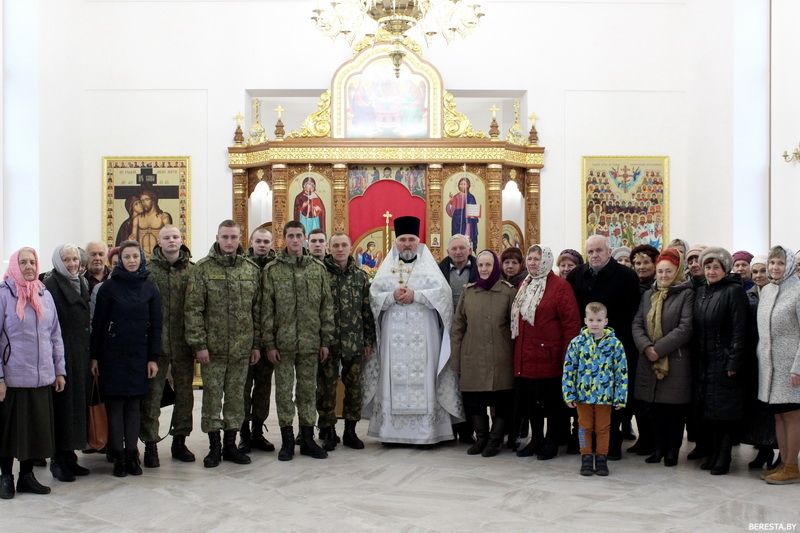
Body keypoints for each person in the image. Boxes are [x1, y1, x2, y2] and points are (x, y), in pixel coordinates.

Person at [363, 216, 464, 444]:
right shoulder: (387, 267)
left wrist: (416, 295)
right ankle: (391, 433)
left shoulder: (429, 266)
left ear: (418, 241)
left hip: (424, 334)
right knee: (392, 375)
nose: (407, 244)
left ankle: (427, 433)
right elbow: (374, 296)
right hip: (393, 334)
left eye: (411, 240)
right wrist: (391, 296)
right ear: (396, 242)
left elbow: (444, 295)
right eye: (403, 240)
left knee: (425, 374)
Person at [184, 220, 261, 468]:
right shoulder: (202, 269)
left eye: (233, 237)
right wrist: (199, 344)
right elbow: (193, 309)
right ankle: (214, 447)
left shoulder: (250, 269)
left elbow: (257, 311)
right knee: (212, 398)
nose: (229, 241)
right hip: (212, 350)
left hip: (241, 348)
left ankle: (230, 445)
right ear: (217, 237)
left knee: (236, 398)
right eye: (225, 237)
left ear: (240, 238)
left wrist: (256, 344)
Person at [262, 221, 333, 461]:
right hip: (283, 344)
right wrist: (269, 343)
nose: (294, 240)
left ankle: (308, 439)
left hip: (311, 342)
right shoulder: (272, 270)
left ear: (304, 238)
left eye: (298, 235)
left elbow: (326, 307)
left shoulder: (317, 269)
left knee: (307, 392)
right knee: (283, 393)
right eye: (290, 236)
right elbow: (267, 310)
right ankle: (287, 441)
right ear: (284, 238)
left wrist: (325, 340)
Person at [90, 241, 161, 477]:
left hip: (139, 355)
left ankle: (132, 455)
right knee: (115, 405)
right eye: (127, 257)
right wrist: (94, 357)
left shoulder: (150, 288)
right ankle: (118, 457)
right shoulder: (109, 288)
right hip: (112, 356)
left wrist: (153, 358)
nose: (131, 261)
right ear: (120, 260)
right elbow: (99, 325)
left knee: (133, 406)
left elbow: (156, 326)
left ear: (141, 258)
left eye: (135, 256)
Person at [566, 235, 640, 460]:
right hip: (585, 350)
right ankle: (584, 448)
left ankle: (609, 445)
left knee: (609, 410)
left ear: (609, 251)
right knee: (583, 414)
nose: (595, 255)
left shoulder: (627, 276)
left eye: (599, 250)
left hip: (614, 347)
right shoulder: (576, 276)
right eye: (590, 251)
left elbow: (632, 313)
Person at [0, 248, 65, 499]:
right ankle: (6, 476)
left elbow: (55, 335)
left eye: (32, 262)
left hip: (41, 376)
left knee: (34, 431)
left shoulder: (44, 294)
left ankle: (26, 477)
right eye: (23, 262)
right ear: (14, 266)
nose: (29, 266)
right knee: (9, 432)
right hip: (13, 377)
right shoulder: (4, 294)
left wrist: (59, 370)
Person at [511, 245, 581, 460]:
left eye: (537, 259)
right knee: (532, 403)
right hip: (526, 354)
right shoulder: (525, 284)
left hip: (550, 356)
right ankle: (536, 439)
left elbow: (571, 324)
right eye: (530, 258)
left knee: (551, 403)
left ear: (547, 261)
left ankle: (551, 440)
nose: (533, 262)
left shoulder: (560, 287)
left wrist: (568, 356)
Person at [140, 226, 197, 467]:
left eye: (175, 237)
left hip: (184, 342)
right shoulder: (148, 271)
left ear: (181, 240)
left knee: (185, 394)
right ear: (159, 242)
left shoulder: (193, 271)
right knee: (152, 395)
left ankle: (179, 441)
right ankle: (150, 444)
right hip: (157, 344)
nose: (171, 241)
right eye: (167, 237)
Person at [632, 248, 694, 467]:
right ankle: (657, 449)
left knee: (673, 411)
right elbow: (637, 323)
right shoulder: (649, 294)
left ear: (677, 271)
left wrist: (658, 349)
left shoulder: (686, 294)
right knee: (654, 408)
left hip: (675, 361)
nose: (664, 275)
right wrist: (646, 347)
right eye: (660, 271)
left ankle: (671, 451)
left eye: (668, 271)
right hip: (649, 359)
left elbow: (685, 328)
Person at [451, 250, 516, 457]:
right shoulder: (469, 292)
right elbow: (458, 327)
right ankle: (481, 438)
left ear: (495, 266)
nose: (484, 269)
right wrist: (456, 359)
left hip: (500, 356)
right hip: (473, 355)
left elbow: (515, 327)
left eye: (488, 265)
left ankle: (495, 440)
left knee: (502, 400)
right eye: (480, 265)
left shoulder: (508, 292)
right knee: (474, 400)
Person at [692, 246, 749, 475]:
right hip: (705, 360)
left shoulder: (733, 291)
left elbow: (740, 330)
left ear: (725, 269)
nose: (711, 271)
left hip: (724, 360)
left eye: (716, 267)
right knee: (709, 410)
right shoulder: (702, 291)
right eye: (708, 267)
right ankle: (713, 452)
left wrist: (734, 361)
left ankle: (724, 456)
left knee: (725, 412)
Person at [318, 233, 376, 451]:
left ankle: (350, 431)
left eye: (344, 245)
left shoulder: (360, 277)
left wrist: (368, 340)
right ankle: (328, 431)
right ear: (329, 248)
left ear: (351, 248)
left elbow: (366, 310)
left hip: (354, 341)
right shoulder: (320, 274)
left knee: (354, 388)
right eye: (335, 245)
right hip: (328, 342)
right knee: (326, 388)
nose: (340, 249)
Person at [43, 244, 91, 482]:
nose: (72, 264)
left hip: (80, 353)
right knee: (62, 407)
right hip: (62, 353)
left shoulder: (81, 281)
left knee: (76, 406)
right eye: (66, 260)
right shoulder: (51, 285)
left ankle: (70, 456)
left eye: (75, 259)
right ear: (58, 262)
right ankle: (58, 460)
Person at [562, 302, 628, 476]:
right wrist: (569, 393)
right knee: (583, 427)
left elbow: (621, 372)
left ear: (606, 321)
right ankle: (585, 457)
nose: (595, 324)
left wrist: (620, 397)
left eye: (599, 320)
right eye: (591, 320)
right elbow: (569, 370)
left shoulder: (615, 344)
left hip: (604, 397)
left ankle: (601, 458)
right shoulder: (577, 343)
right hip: (582, 396)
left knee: (603, 428)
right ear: (585, 321)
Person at [756, 246, 800, 484]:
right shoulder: (768, 290)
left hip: (791, 367)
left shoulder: (798, 290)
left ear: (790, 265)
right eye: (772, 262)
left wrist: (798, 367)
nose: (775, 267)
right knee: (779, 416)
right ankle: (783, 462)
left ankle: (792, 466)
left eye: (781, 263)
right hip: (769, 367)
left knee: (792, 415)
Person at [239, 227, 277, 454]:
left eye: (266, 241)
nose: (262, 245)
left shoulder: (277, 267)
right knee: (243, 389)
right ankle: (243, 434)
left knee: (263, 389)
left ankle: (257, 432)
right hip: (245, 339)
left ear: (272, 243)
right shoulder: (242, 265)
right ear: (251, 242)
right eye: (258, 241)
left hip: (269, 339)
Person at [438, 234, 478, 444]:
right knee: (448, 380)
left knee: (468, 382)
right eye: (454, 249)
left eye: (462, 248)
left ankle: (468, 429)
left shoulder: (480, 269)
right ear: (448, 251)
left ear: (469, 250)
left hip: (471, 333)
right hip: (445, 333)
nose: (458, 252)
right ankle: (449, 428)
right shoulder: (438, 270)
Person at [741, 255, 778, 471]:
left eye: (762, 270)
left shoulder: (778, 293)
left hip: (774, 359)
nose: (758, 275)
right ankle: (763, 449)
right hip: (753, 359)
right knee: (758, 409)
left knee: (776, 410)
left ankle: (781, 453)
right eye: (754, 272)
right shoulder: (748, 295)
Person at [131, 189, 173, 256]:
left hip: (159, 257)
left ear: (153, 200)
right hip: (143, 257)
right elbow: (133, 240)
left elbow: (169, 238)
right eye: (142, 201)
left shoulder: (163, 217)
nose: (144, 203)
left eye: (146, 199)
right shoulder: (137, 219)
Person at [445, 177, 479, 248]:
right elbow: (451, 212)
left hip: (467, 222)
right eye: (461, 184)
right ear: (458, 185)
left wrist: (472, 216)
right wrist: (451, 202)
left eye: (464, 184)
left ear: (468, 185)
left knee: (466, 241)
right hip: (456, 222)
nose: (463, 186)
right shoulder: (455, 196)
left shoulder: (471, 197)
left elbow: (473, 213)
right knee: (456, 240)